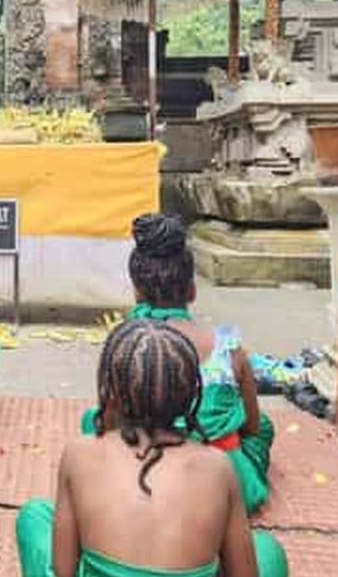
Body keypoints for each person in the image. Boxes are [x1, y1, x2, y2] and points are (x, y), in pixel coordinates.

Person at [17, 320, 289, 577]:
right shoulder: (218, 466)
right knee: (266, 552)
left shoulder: (79, 452)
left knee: (35, 516)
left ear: (111, 390)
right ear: (192, 394)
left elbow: (65, 574)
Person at [83, 213, 273, 514]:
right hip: (220, 485)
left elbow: (109, 421)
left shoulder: (126, 344)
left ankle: (137, 475)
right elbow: (251, 427)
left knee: (91, 420)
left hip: (145, 466)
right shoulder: (229, 347)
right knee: (262, 426)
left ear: (137, 291)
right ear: (192, 290)